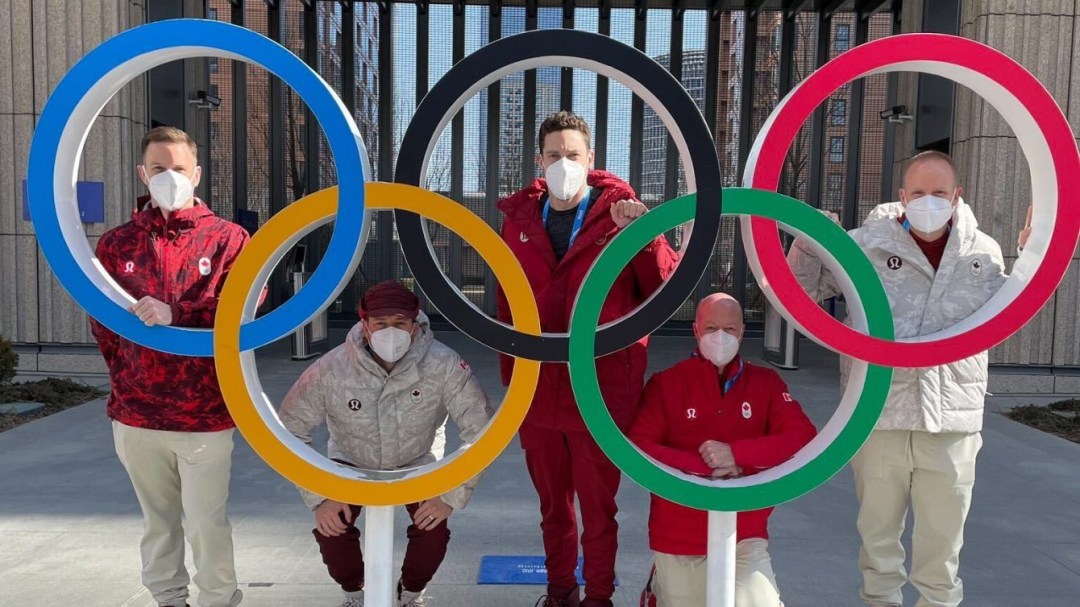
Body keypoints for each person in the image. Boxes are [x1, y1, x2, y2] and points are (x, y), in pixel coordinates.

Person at [788, 150, 1007, 607]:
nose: (931, 202)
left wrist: (1037, 257)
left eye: (940, 193)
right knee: (879, 551)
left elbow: (1009, 316)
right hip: (878, 414)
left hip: (950, 422)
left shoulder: (983, 252)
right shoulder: (861, 246)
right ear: (902, 197)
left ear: (957, 196)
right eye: (920, 193)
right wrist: (809, 243)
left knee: (942, 559)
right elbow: (800, 299)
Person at [494, 111, 679, 607]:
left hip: (600, 390)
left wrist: (644, 234)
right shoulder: (520, 221)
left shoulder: (621, 213)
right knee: (554, 508)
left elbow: (662, 288)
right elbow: (506, 306)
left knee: (599, 511)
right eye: (553, 155)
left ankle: (598, 597)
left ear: (590, 158)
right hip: (537, 392)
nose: (563, 164)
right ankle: (560, 594)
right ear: (540, 160)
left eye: (572, 155)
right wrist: (513, 375)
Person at [90, 126, 250, 607]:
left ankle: (218, 599)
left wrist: (176, 313)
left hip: (205, 412)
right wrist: (127, 376)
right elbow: (104, 323)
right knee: (158, 522)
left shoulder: (228, 240)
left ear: (197, 173)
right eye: (159, 169)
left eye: (178, 169)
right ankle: (168, 598)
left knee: (206, 522)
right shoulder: (118, 245)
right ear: (143, 173)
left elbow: (245, 305)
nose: (169, 178)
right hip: (137, 414)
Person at [279, 280, 494, 607]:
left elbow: (481, 427)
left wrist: (451, 494)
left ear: (415, 324)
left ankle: (410, 593)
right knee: (332, 532)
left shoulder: (443, 364)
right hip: (350, 460)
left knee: (433, 532)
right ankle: (354, 593)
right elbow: (290, 427)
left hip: (417, 459)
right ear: (365, 324)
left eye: (399, 324)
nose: (390, 332)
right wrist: (319, 495)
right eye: (381, 324)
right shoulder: (333, 368)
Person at [629, 293, 817, 607]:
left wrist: (738, 455)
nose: (720, 337)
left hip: (744, 536)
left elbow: (802, 436)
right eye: (712, 327)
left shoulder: (765, 383)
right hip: (679, 536)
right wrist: (704, 468)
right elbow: (640, 446)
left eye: (730, 329)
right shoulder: (667, 384)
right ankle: (658, 585)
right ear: (696, 331)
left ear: (742, 332)